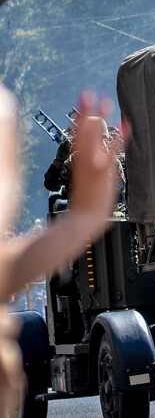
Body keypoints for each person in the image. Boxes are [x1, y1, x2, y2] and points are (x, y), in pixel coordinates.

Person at [0, 88, 128, 413]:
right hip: (119, 225)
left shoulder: (77, 159)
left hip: (86, 232)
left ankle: (85, 325)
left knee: (73, 277)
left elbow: (49, 182)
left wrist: (63, 154)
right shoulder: (116, 156)